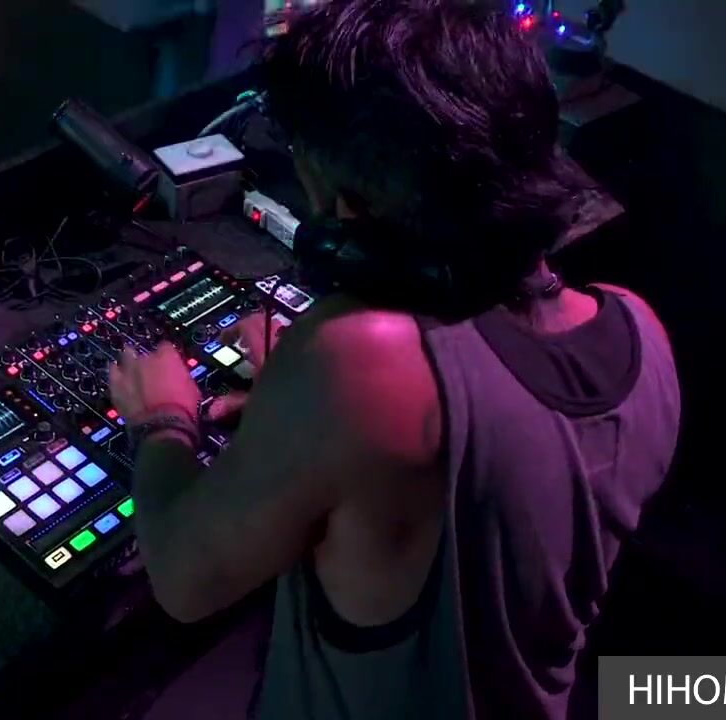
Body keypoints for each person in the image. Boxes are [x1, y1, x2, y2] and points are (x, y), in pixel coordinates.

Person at [108, 1, 680, 718]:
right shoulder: (641, 330)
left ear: (346, 210)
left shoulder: (360, 365)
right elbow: (482, 478)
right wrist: (308, 412)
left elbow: (183, 581)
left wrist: (162, 419)